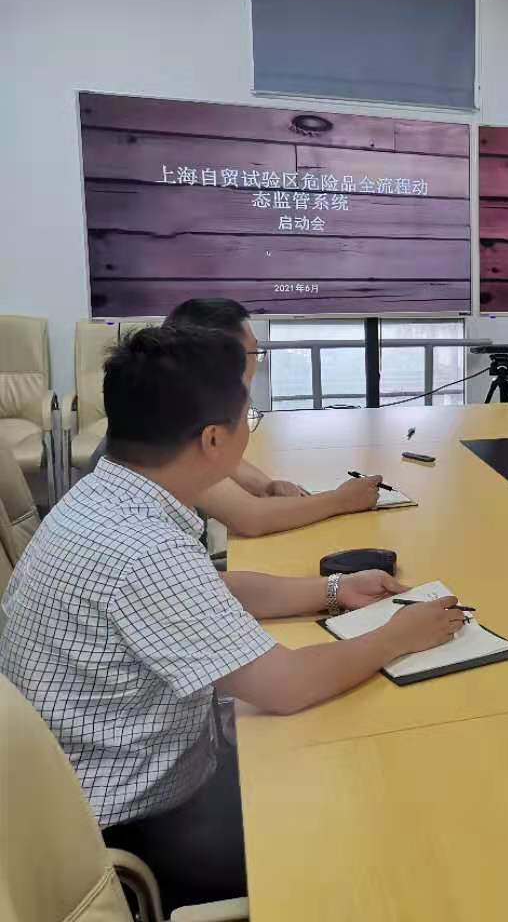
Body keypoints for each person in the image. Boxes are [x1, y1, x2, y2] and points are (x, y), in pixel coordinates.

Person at [0, 326, 464, 909]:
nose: (252, 428)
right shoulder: (144, 549)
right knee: (374, 832)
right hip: (136, 827)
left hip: (78, 794)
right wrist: (398, 636)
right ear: (214, 439)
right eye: (248, 416)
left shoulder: (108, 497)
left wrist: (333, 588)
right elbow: (286, 686)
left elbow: (206, 591)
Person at [91, 298, 381, 536]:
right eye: (252, 352)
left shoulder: (166, 399)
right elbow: (250, 518)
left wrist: (266, 486)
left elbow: (225, 461)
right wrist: (340, 500)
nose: (254, 362)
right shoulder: (173, 426)